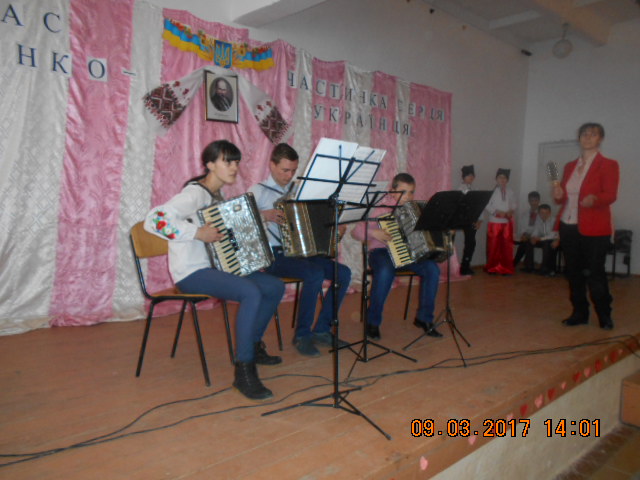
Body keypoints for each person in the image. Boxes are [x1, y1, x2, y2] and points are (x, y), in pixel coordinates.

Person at [144, 140, 284, 401]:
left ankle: (253, 345)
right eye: (227, 161)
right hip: (191, 274)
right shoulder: (194, 194)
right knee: (251, 292)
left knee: (274, 286)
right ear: (209, 165)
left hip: (218, 268)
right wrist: (197, 233)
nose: (234, 167)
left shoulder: (216, 197)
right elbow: (155, 221)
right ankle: (244, 371)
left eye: (236, 162)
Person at [249, 143, 352, 357]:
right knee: (314, 274)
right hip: (274, 254)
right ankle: (302, 335)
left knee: (343, 273)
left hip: (302, 252)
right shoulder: (258, 191)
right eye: (285, 170)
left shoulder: (300, 191)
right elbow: (240, 220)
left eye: (293, 170)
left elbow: (317, 218)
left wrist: (334, 228)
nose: (289, 175)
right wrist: (264, 215)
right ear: (272, 165)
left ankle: (322, 330)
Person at [352, 173, 442, 340]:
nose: (408, 196)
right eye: (403, 192)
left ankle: (424, 318)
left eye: (411, 192)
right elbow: (356, 232)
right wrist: (373, 233)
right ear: (392, 191)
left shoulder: (415, 210)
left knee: (432, 269)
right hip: (381, 252)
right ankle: (373, 321)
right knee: (385, 271)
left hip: (408, 254)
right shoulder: (380, 208)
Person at [553, 122, 619, 330]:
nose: (587, 137)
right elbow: (562, 198)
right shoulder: (569, 166)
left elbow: (610, 195)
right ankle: (579, 313)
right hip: (568, 225)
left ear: (600, 139)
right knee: (573, 272)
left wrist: (595, 199)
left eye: (593, 134)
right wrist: (558, 195)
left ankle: (604, 315)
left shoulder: (608, 165)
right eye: (584, 134)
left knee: (595, 273)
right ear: (579, 138)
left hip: (595, 228)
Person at [484, 168, 517, 275]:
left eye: (504, 178)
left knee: (506, 246)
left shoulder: (510, 191)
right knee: (493, 246)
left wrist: (511, 210)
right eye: (500, 177)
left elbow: (514, 203)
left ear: (507, 180)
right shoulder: (492, 191)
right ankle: (492, 267)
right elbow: (487, 205)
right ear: (496, 179)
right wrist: (497, 212)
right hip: (495, 222)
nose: (502, 180)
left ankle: (506, 268)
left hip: (506, 222)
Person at [458, 165, 482, 275]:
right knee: (469, 243)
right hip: (465, 220)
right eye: (468, 175)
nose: (471, 177)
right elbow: (461, 207)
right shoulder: (460, 189)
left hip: (474, 220)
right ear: (463, 177)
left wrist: (479, 220)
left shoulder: (475, 189)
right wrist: (470, 219)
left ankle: (466, 266)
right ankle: (464, 267)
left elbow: (480, 206)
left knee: (471, 243)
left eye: (472, 175)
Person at [513, 191, 541, 272]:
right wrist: (524, 234)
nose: (533, 203)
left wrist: (530, 236)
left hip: (539, 237)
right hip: (528, 236)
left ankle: (522, 265)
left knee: (526, 242)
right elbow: (522, 227)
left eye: (535, 200)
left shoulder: (542, 213)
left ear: (539, 201)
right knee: (525, 241)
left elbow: (540, 228)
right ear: (529, 201)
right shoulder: (525, 214)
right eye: (531, 201)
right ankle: (527, 266)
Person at [529, 204, 559, 276]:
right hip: (544, 240)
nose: (544, 215)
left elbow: (553, 235)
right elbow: (536, 231)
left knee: (547, 244)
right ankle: (530, 267)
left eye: (546, 213)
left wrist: (540, 239)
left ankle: (545, 268)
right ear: (539, 213)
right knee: (529, 242)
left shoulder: (554, 220)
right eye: (542, 213)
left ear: (550, 213)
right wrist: (533, 237)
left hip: (556, 240)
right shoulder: (538, 220)